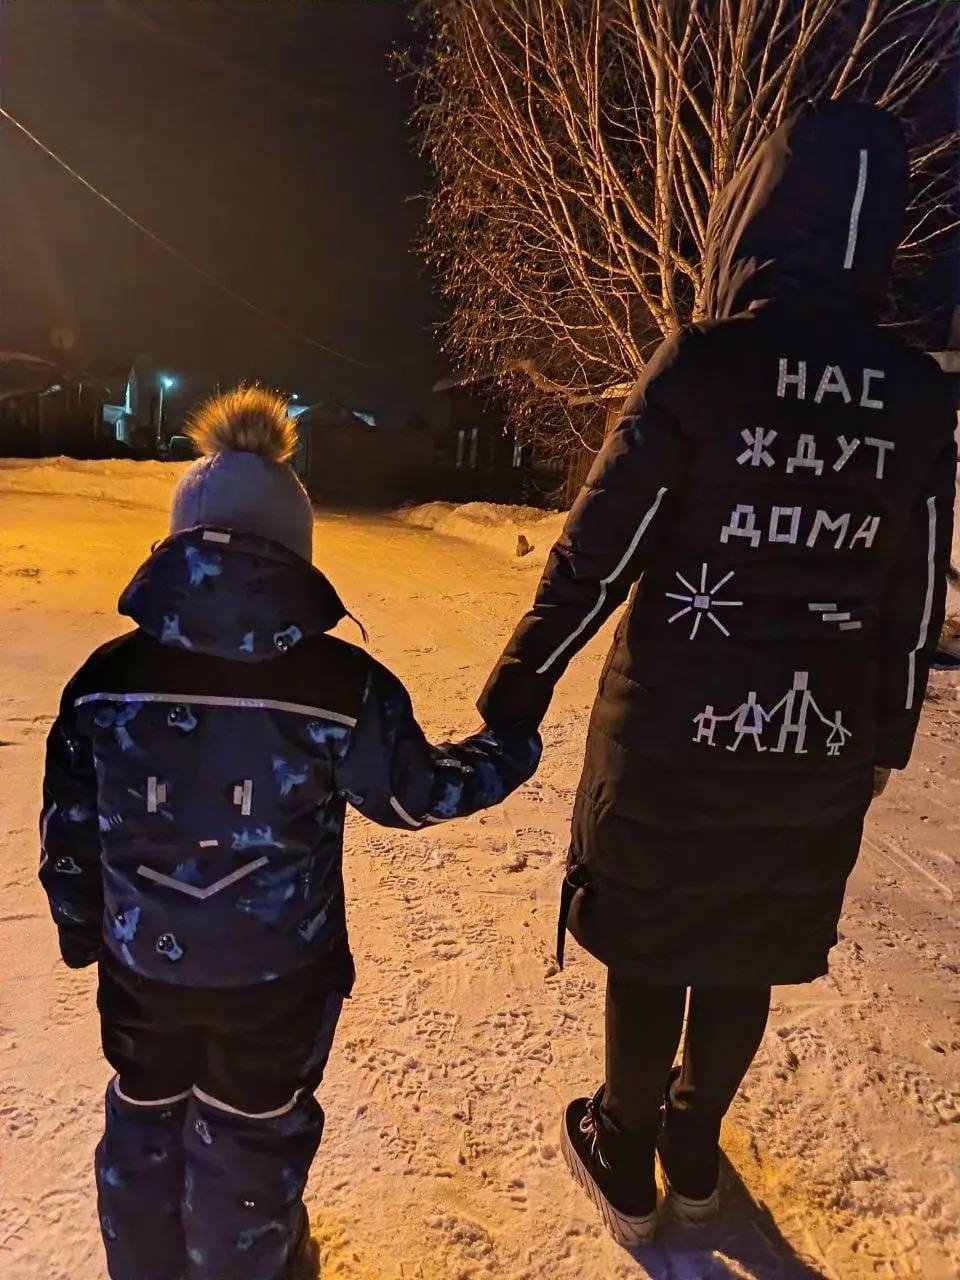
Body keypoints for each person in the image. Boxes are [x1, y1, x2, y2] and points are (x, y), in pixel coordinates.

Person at [477, 101, 956, 1245]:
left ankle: (626, 1143)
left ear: (757, 213)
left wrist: (520, 684)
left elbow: (600, 549)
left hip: (675, 730)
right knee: (747, 934)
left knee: (655, 932)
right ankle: (694, 1148)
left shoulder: (705, 364)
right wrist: (886, 733)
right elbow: (917, 586)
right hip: (815, 738)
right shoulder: (913, 393)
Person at [39, 386, 541, 1280]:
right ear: (293, 550)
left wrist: (84, 931)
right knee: (250, 1138)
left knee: (144, 1117)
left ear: (179, 542)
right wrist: (509, 747)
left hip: (142, 970)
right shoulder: (339, 686)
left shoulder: (105, 680)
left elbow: (67, 831)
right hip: (275, 980)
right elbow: (416, 796)